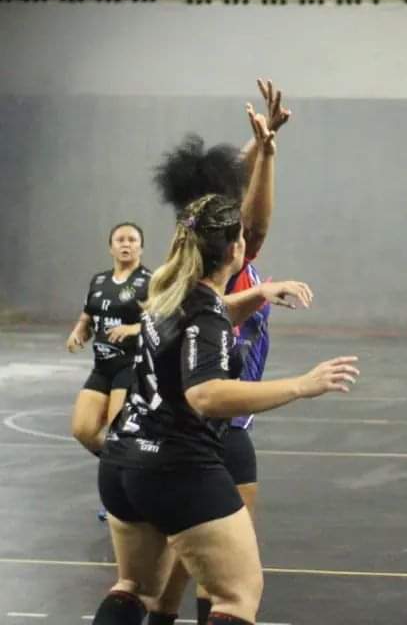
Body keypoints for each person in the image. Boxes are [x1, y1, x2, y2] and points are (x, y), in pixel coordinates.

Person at [91, 190, 357, 625]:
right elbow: (207, 394)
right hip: (176, 469)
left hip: (121, 463)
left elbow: (207, 314)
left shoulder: (166, 291)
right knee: (236, 598)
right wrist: (301, 385)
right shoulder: (204, 313)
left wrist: (261, 293)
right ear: (235, 250)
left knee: (134, 588)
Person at [147, 80, 290, 625]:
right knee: (224, 577)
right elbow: (253, 223)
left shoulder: (184, 252)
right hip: (202, 430)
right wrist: (269, 155)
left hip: (225, 432)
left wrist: (259, 145)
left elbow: (223, 194)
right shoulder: (225, 267)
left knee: (189, 566)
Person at [68, 222, 152, 519]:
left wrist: (133, 328)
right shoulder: (99, 280)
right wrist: (79, 331)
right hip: (102, 366)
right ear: (111, 247)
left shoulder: (150, 281)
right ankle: (132, 468)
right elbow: (88, 314)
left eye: (132, 239)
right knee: (83, 430)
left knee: (119, 436)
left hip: (130, 368)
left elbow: (166, 321)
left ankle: (118, 499)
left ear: (141, 247)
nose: (126, 244)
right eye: (120, 239)